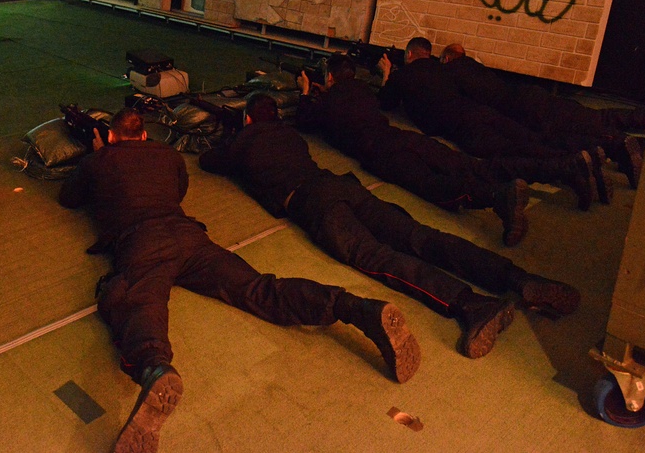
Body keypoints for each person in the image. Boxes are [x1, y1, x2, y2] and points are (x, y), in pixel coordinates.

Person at [59, 107, 421, 453]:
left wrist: (97, 156)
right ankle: (356, 308)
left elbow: (68, 197)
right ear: (144, 133)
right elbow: (178, 190)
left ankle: (154, 368)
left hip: (142, 242)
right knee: (261, 289)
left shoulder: (99, 160)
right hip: (189, 236)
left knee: (137, 302)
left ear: (110, 136)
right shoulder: (167, 155)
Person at [200, 93, 580, 360]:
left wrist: (234, 130)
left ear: (248, 119)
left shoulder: (244, 143)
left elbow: (207, 162)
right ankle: (518, 278)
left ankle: (471, 305)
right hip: (344, 185)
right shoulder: (289, 134)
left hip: (314, 202)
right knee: (422, 237)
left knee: (376, 257)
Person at [296, 53, 602, 246]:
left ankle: (498, 197)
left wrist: (307, 92)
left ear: (330, 78)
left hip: (382, 153)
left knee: (436, 186)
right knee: (474, 165)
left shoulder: (325, 104)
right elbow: (378, 100)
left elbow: (304, 121)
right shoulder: (363, 91)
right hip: (406, 138)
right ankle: (563, 167)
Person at [439, 43, 645, 190]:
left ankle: (620, 146)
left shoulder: (450, 74)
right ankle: (642, 127)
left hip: (519, 107)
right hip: (528, 94)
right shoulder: (475, 67)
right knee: (588, 117)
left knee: (565, 132)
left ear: (446, 59)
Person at [378, 37, 587, 163]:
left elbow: (385, 102)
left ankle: (568, 162)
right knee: (526, 135)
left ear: (409, 53)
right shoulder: (443, 70)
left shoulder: (402, 77)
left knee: (513, 150)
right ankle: (580, 150)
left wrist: (386, 73)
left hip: (463, 127)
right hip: (481, 111)